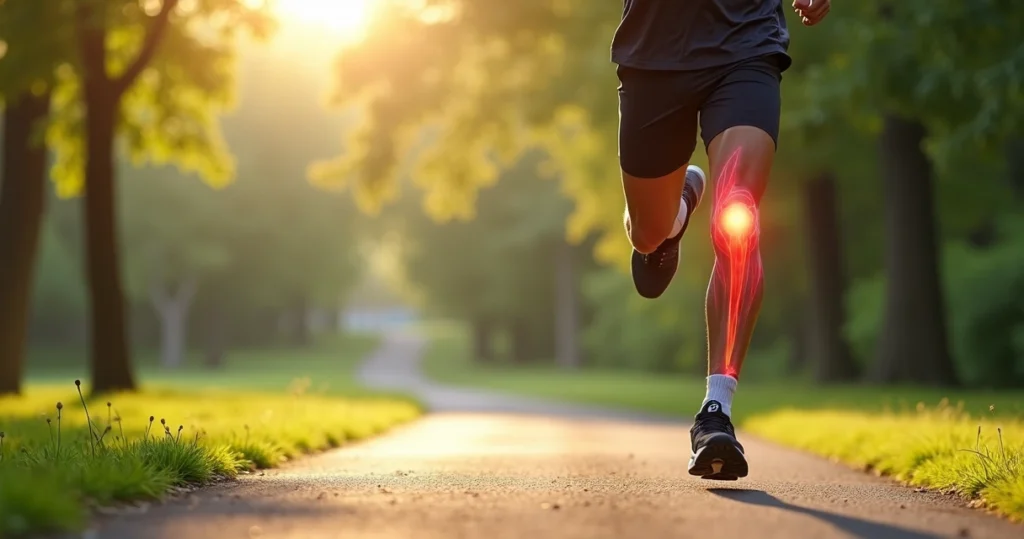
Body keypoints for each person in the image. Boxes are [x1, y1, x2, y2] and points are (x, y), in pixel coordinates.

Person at [611, 0, 831, 480]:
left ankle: (717, 410)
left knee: (738, 215)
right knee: (647, 236)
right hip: (654, 53)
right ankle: (672, 220)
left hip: (745, 44)